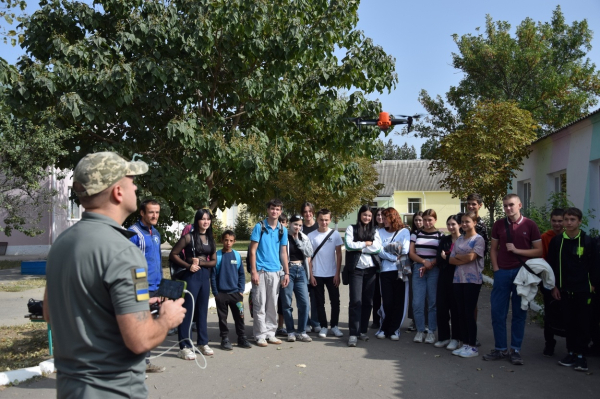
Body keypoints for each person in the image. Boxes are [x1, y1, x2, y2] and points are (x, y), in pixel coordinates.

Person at [43, 152, 186, 398]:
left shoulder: (61, 244)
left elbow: (50, 312)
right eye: (131, 179)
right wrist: (166, 319)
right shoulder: (124, 252)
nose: (136, 185)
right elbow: (139, 340)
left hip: (69, 389)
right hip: (113, 391)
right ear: (117, 192)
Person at [483, 194, 542, 365]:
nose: (508, 208)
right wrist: (496, 269)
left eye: (511, 205)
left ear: (520, 205)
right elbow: (493, 249)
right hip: (502, 273)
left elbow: (538, 251)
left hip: (522, 273)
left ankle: (515, 349)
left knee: (519, 313)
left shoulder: (530, 225)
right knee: (497, 313)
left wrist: (517, 251)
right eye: (505, 205)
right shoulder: (498, 225)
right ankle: (500, 349)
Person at [547, 207, 599, 372]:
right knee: (568, 322)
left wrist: (592, 284)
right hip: (563, 289)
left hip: (583, 290)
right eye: (566, 219)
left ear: (579, 221)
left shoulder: (588, 241)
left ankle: (581, 356)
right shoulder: (557, 241)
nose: (568, 223)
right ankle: (570, 352)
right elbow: (551, 266)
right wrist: (554, 286)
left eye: (572, 220)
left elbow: (595, 266)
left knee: (583, 323)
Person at [170, 208, 217, 359]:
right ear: (197, 220)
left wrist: (202, 264)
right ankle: (184, 346)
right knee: (188, 311)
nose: (206, 222)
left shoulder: (210, 239)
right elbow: (173, 254)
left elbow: (214, 261)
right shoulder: (189, 237)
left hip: (204, 276)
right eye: (203, 219)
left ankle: (202, 343)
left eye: (208, 219)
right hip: (191, 276)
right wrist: (187, 265)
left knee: (202, 311)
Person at [128, 198, 166, 373]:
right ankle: (135, 366)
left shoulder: (156, 233)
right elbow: (130, 264)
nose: (155, 215)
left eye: (157, 212)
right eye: (151, 212)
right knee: (139, 326)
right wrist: (141, 289)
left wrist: (162, 285)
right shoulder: (133, 233)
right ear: (142, 213)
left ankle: (145, 362)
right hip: (141, 287)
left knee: (149, 325)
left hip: (156, 286)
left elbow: (157, 261)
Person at [249, 199, 290, 347]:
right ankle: (260, 335)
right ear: (268, 210)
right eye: (272, 208)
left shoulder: (282, 230)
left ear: (280, 211)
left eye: (278, 209)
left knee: (272, 304)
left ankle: (270, 333)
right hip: (260, 271)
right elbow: (252, 251)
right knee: (260, 304)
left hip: (275, 272)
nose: (275, 211)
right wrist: (253, 272)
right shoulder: (259, 227)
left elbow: (283, 252)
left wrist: (286, 273)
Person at [449, 212, 486, 358]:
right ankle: (465, 344)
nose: (464, 224)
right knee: (460, 313)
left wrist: (459, 257)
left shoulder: (478, 239)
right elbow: (451, 260)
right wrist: (462, 258)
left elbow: (472, 257)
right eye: (462, 222)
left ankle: (472, 346)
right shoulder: (459, 240)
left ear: (475, 222)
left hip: (473, 280)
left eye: (467, 222)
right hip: (458, 279)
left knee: (469, 313)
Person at [345, 205, 382, 347]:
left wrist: (359, 246)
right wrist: (367, 243)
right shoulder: (351, 228)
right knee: (355, 301)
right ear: (360, 215)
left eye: (369, 215)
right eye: (364, 215)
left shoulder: (374, 230)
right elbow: (348, 245)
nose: (367, 217)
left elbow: (378, 248)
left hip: (371, 270)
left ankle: (362, 331)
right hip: (356, 270)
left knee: (368, 302)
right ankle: (353, 333)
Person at [210, 230, 252, 350]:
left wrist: (241, 290)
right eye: (226, 240)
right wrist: (216, 293)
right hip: (222, 294)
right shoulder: (217, 256)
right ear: (222, 240)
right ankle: (225, 339)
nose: (228, 243)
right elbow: (213, 276)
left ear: (234, 241)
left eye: (231, 241)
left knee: (240, 317)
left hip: (236, 294)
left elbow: (241, 274)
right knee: (222, 318)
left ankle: (242, 338)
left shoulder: (236, 255)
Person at [308, 208, 344, 338]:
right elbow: (309, 257)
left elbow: (339, 255)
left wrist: (337, 273)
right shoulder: (311, 236)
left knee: (335, 301)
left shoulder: (335, 234)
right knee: (319, 302)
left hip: (332, 274)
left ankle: (334, 326)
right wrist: (311, 275)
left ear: (330, 220)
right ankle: (323, 326)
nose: (324, 222)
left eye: (326, 220)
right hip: (317, 274)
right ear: (317, 220)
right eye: (321, 220)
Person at [376, 208, 410, 340]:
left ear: (393, 217)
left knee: (398, 301)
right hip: (385, 271)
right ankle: (383, 328)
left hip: (400, 271)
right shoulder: (379, 232)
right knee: (387, 301)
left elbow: (405, 249)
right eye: (382, 218)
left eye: (385, 218)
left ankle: (395, 329)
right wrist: (393, 256)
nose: (383, 220)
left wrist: (386, 248)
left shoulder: (404, 231)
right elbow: (378, 250)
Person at [409, 209, 443, 344]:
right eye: (425, 220)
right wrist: (424, 262)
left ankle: (431, 331)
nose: (427, 222)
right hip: (419, 268)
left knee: (433, 302)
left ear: (435, 220)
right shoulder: (416, 233)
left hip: (434, 270)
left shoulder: (440, 235)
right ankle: (420, 330)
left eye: (430, 220)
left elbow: (442, 254)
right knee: (417, 302)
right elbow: (411, 253)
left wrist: (431, 264)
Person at [282, 214, 314, 342]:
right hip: (288, 270)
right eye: (295, 224)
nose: (298, 227)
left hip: (301, 270)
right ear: (290, 224)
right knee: (287, 303)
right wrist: (284, 272)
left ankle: (301, 331)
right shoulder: (283, 236)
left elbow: (309, 252)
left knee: (305, 303)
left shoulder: (303, 237)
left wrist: (297, 241)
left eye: (300, 225)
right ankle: (290, 331)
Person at [434, 215, 461, 351]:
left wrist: (448, 257)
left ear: (459, 225)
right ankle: (443, 337)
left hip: (459, 277)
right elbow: (439, 258)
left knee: (455, 308)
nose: (451, 227)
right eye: (448, 224)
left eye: (453, 224)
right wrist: (449, 258)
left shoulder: (463, 240)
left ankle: (456, 338)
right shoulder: (444, 239)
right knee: (442, 307)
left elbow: (463, 258)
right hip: (444, 276)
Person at [540, 208, 564, 356]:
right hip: (549, 280)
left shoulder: (571, 236)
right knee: (549, 313)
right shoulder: (545, 237)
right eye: (554, 221)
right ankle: (549, 343)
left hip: (567, 281)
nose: (557, 224)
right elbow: (542, 260)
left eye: (560, 221)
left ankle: (572, 346)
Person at [301, 202, 321, 333]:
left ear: (313, 212)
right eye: (305, 212)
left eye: (310, 211)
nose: (308, 214)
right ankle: (306, 322)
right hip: (302, 266)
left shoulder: (318, 226)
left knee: (315, 296)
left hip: (317, 266)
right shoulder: (300, 227)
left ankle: (315, 321)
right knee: (303, 296)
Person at [407, 211, 424, 331]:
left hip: (429, 267)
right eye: (416, 220)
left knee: (427, 296)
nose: (418, 222)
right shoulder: (411, 234)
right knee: (414, 296)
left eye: (420, 220)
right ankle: (414, 321)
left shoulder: (432, 234)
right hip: (414, 267)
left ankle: (427, 322)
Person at [371, 208, 386, 330]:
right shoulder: (372, 230)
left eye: (383, 215)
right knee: (375, 295)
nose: (380, 217)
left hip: (387, 266)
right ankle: (376, 320)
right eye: (378, 215)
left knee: (386, 295)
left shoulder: (390, 230)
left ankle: (386, 318)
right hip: (374, 266)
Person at [275, 214, 289, 337]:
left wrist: (286, 273)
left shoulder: (288, 237)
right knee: (268, 302)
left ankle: (280, 326)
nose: (281, 224)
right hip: (270, 272)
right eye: (280, 221)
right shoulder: (266, 234)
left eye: (284, 222)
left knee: (282, 302)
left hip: (283, 274)